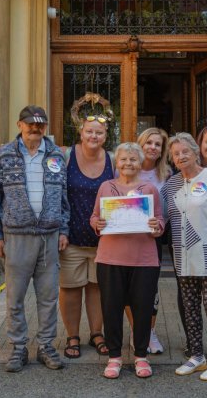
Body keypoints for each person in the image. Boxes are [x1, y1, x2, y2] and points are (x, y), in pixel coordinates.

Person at [0, 105, 69, 373]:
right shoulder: (4, 155)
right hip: (17, 235)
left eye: (40, 125)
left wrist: (64, 230)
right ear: (20, 124)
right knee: (15, 297)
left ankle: (46, 346)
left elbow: (64, 198)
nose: (35, 128)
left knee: (48, 297)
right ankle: (18, 347)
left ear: (45, 127)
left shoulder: (57, 154)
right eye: (30, 124)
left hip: (49, 236)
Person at [162, 132, 207, 381]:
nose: (181, 156)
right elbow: (161, 217)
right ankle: (197, 356)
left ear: (195, 152)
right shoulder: (171, 185)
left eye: (185, 152)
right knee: (190, 307)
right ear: (172, 159)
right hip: (183, 256)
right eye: (176, 154)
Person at [90, 142, 165, 379]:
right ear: (116, 162)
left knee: (142, 309)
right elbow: (95, 216)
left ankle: (141, 356)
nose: (128, 163)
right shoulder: (106, 186)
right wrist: (97, 224)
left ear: (140, 162)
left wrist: (156, 227)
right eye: (123, 159)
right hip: (110, 258)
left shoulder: (150, 189)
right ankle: (114, 357)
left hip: (143, 259)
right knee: (111, 308)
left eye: (133, 159)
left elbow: (160, 221)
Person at [59, 115, 114, 359]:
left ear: (105, 136)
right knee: (70, 288)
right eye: (89, 131)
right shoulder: (65, 156)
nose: (94, 136)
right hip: (70, 238)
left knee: (97, 288)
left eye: (99, 133)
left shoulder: (112, 159)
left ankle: (96, 333)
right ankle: (72, 336)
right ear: (81, 132)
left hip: (105, 240)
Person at [125, 128, 172, 354]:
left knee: (149, 289)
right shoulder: (124, 169)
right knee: (127, 288)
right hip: (126, 238)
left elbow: (170, 209)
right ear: (140, 145)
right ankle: (137, 332)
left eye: (157, 144)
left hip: (152, 239)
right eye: (149, 143)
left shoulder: (167, 175)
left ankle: (150, 332)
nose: (152, 147)